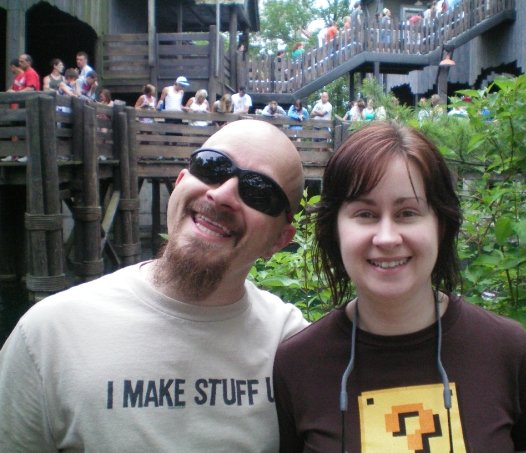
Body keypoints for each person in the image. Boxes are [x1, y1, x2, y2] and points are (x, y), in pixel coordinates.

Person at [0, 120, 310, 452]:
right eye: (211, 166)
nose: (222, 195)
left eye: (258, 191)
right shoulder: (49, 333)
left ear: (279, 240)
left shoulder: (293, 344)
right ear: (180, 182)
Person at [273, 122, 526, 452]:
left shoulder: (509, 351)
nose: (388, 237)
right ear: (335, 229)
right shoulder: (298, 365)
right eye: (365, 213)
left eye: (408, 212)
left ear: (441, 224)